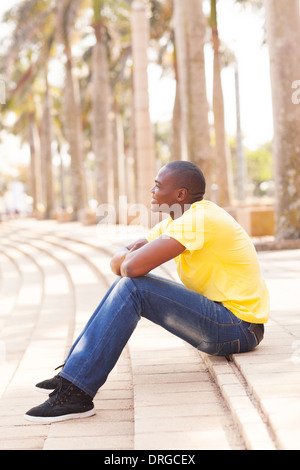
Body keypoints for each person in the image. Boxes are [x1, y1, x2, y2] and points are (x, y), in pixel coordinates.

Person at [24, 161, 269, 423]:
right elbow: (118, 263)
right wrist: (128, 258)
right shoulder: (177, 221)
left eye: (158, 185)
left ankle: (75, 393)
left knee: (134, 288)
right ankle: (72, 374)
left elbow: (130, 265)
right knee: (128, 285)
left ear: (180, 195)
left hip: (240, 327)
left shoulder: (200, 220)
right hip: (225, 322)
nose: (151, 190)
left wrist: (128, 258)